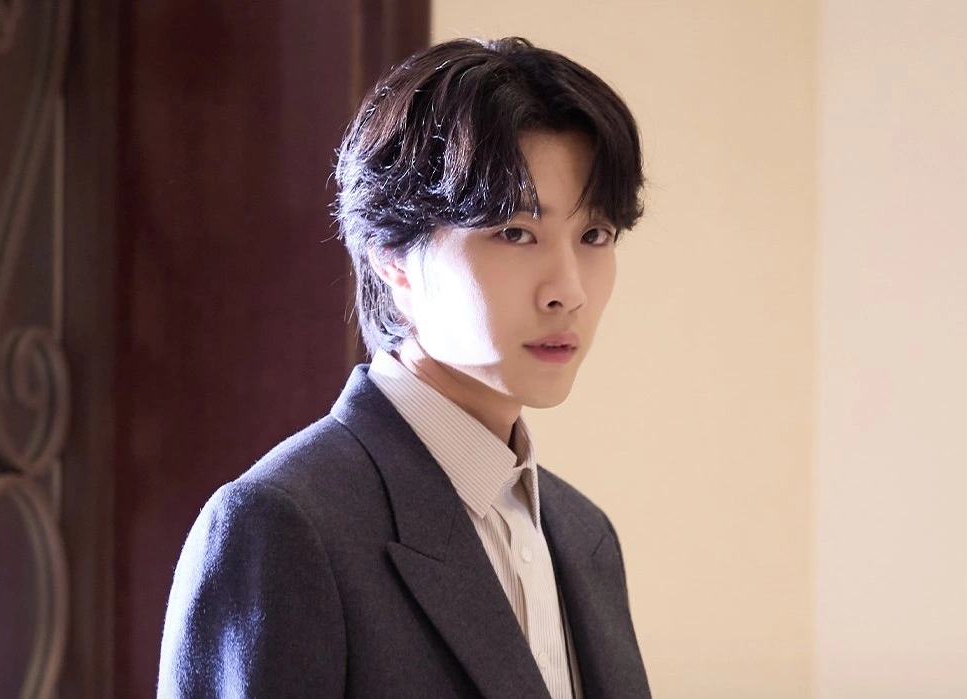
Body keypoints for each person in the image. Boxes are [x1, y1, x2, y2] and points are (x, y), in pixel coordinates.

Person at [157, 37, 650, 698]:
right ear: (392, 256)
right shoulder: (283, 525)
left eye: (594, 235)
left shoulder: (585, 536)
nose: (569, 290)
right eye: (514, 232)